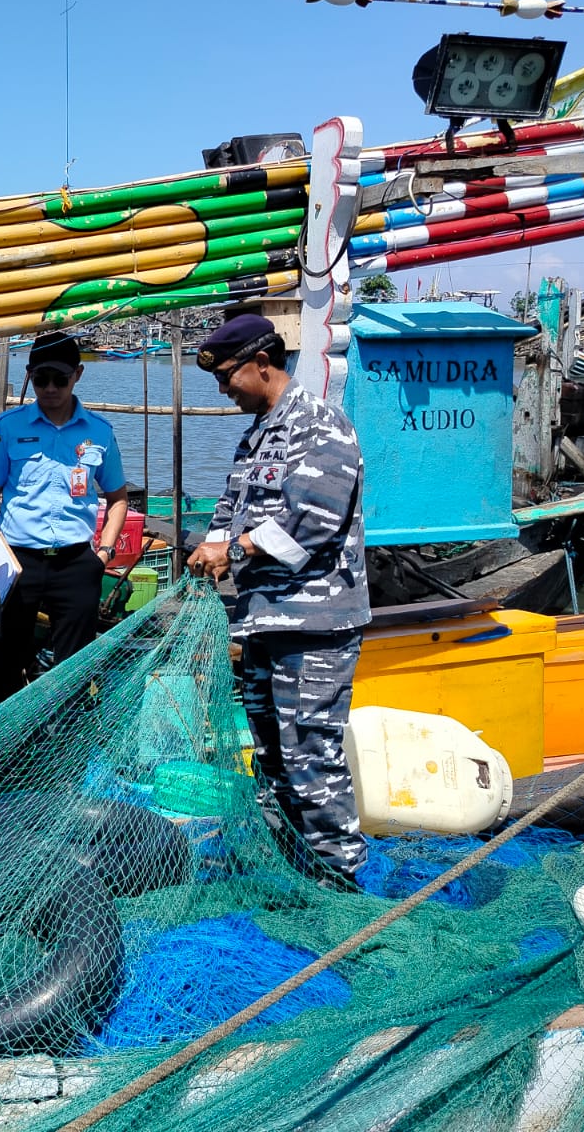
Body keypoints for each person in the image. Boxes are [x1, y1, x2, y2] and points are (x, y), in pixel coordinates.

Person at [184, 313, 370, 883]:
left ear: (262, 363)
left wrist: (233, 551)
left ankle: (339, 881)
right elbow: (229, 511)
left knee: (310, 756)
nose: (223, 389)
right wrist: (210, 548)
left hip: (313, 626)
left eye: (227, 377)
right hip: (262, 622)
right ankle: (288, 871)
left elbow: (310, 525)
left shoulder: (318, 424)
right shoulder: (258, 435)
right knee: (269, 757)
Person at [0, 331, 130, 710]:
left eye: (59, 379)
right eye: (40, 379)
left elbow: (118, 498)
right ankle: (2, 745)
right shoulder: (10, 427)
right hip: (18, 564)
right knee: (4, 664)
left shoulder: (99, 432)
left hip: (76, 563)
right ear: (29, 375)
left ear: (77, 375)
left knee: (76, 672)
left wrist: (104, 553)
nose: (49, 388)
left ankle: (67, 743)